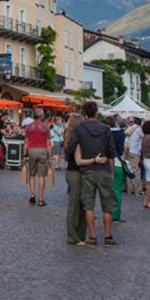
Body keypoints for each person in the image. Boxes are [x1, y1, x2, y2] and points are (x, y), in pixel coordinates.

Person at [66, 101, 117, 247]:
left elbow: (71, 146)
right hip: (103, 170)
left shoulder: (80, 128)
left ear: (85, 113)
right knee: (107, 205)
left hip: (87, 171)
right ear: (96, 112)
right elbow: (111, 152)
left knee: (88, 206)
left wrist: (70, 158)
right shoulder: (106, 129)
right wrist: (112, 171)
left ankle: (93, 237)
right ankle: (108, 237)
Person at [62, 112, 87, 246]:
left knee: (79, 203)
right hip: (75, 172)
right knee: (75, 204)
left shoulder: (70, 137)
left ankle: (79, 234)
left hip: (73, 171)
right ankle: (74, 235)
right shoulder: (75, 139)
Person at [24, 108, 52, 207]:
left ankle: (32, 194)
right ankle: (40, 199)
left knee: (31, 174)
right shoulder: (46, 127)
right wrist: (50, 158)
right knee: (41, 176)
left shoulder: (28, 127)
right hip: (42, 151)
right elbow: (48, 143)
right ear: (41, 116)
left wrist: (24, 155)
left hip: (31, 151)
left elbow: (26, 142)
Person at [108, 116, 125, 222]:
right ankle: (115, 214)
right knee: (117, 190)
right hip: (117, 163)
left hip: (103, 163)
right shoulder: (120, 134)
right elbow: (123, 149)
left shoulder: (103, 133)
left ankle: (107, 213)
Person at [124, 118, 143, 195]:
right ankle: (137, 190)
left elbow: (126, 141)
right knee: (137, 171)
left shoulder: (129, 129)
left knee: (129, 171)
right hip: (135, 152)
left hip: (128, 151)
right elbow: (143, 137)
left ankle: (129, 189)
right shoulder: (139, 130)